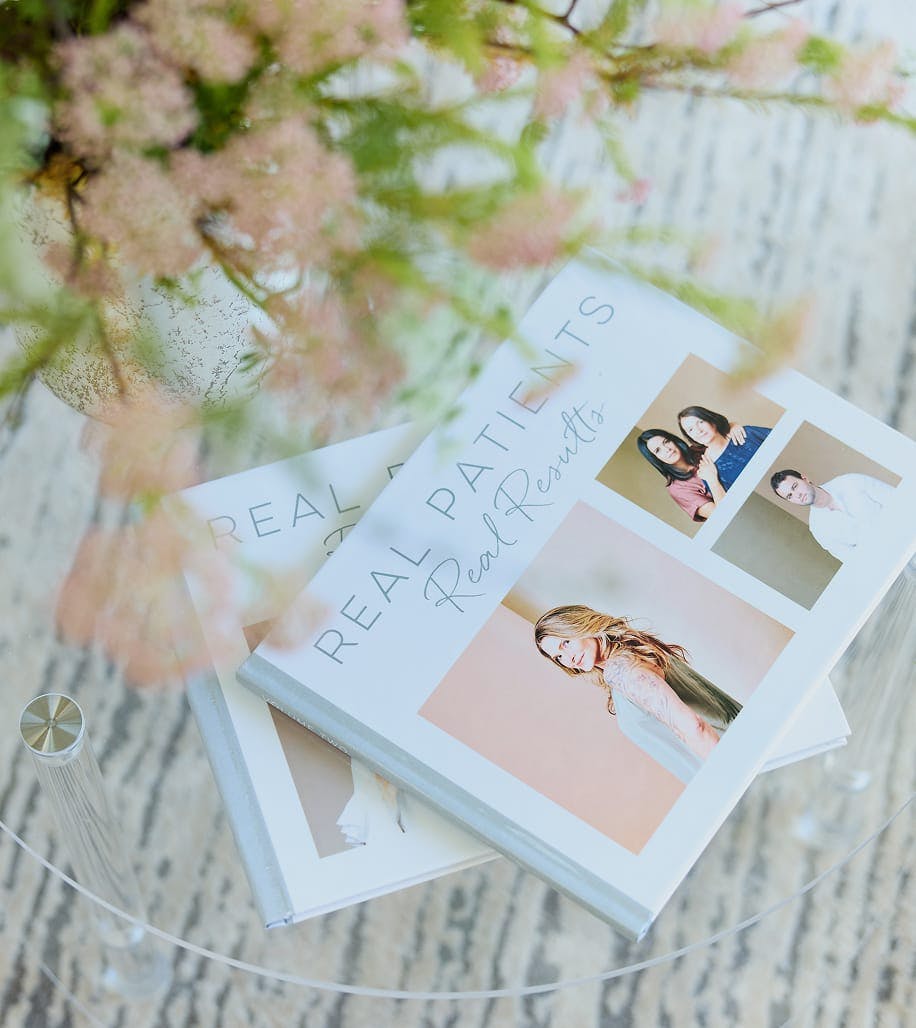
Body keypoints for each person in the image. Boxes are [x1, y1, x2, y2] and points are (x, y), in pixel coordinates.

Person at [534, 605, 741, 783]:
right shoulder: (631, 651)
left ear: (579, 625)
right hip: (732, 749)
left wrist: (730, 780)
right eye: (559, 656)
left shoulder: (621, 671)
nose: (568, 658)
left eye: (566, 643)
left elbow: (694, 728)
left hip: (729, 764)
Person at [769, 469, 895, 562]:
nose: (797, 495)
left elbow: (897, 500)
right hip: (886, 562)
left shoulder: (851, 481)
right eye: (789, 496)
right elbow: (853, 560)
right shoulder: (818, 529)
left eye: (795, 487)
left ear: (805, 478)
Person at [678, 405, 771, 491]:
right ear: (690, 437)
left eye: (700, 422)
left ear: (711, 420)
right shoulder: (706, 470)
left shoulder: (746, 433)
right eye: (690, 429)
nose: (698, 430)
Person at [636, 429, 722, 522]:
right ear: (655, 459)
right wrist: (712, 479)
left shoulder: (697, 449)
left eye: (666, 442)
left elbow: (725, 440)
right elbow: (721, 515)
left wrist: (733, 427)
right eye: (658, 450)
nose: (667, 449)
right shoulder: (677, 489)